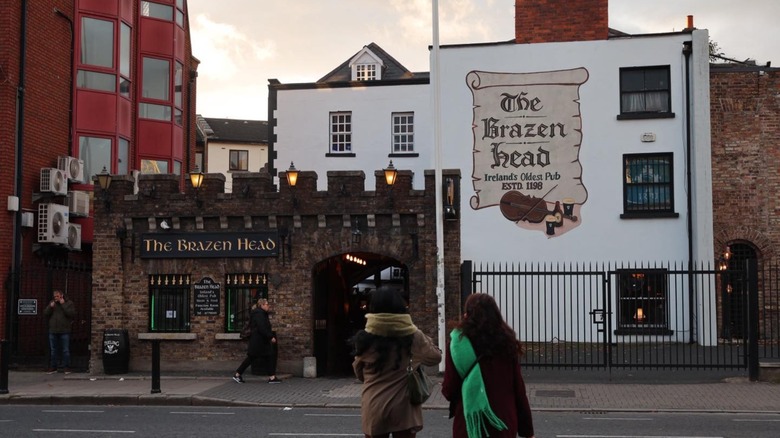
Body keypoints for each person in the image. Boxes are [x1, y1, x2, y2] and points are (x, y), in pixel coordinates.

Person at [352, 287, 442, 438]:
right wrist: (414, 330)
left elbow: (360, 374)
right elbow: (435, 357)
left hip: (374, 404)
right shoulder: (413, 336)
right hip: (404, 406)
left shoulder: (365, 338)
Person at [441, 293, 535, 438]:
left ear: (467, 314)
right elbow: (518, 390)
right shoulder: (506, 343)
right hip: (503, 422)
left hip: (469, 426)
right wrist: (527, 431)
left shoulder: (457, 345)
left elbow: (449, 389)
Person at [233, 298, 280, 383]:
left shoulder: (261, 313)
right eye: (266, 304)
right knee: (251, 358)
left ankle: (272, 377)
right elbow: (262, 328)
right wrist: (270, 337)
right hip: (258, 341)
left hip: (261, 341)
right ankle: (237, 374)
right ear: (262, 305)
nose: (268, 306)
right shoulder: (259, 314)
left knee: (268, 357)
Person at [43, 290, 76, 374]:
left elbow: (71, 314)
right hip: (53, 330)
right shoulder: (52, 303)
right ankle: (53, 367)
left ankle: (66, 367)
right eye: (55, 297)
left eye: (57, 296)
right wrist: (50, 307)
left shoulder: (69, 303)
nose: (56, 298)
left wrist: (63, 304)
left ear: (61, 296)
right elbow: (45, 313)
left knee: (65, 350)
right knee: (53, 350)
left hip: (64, 330)